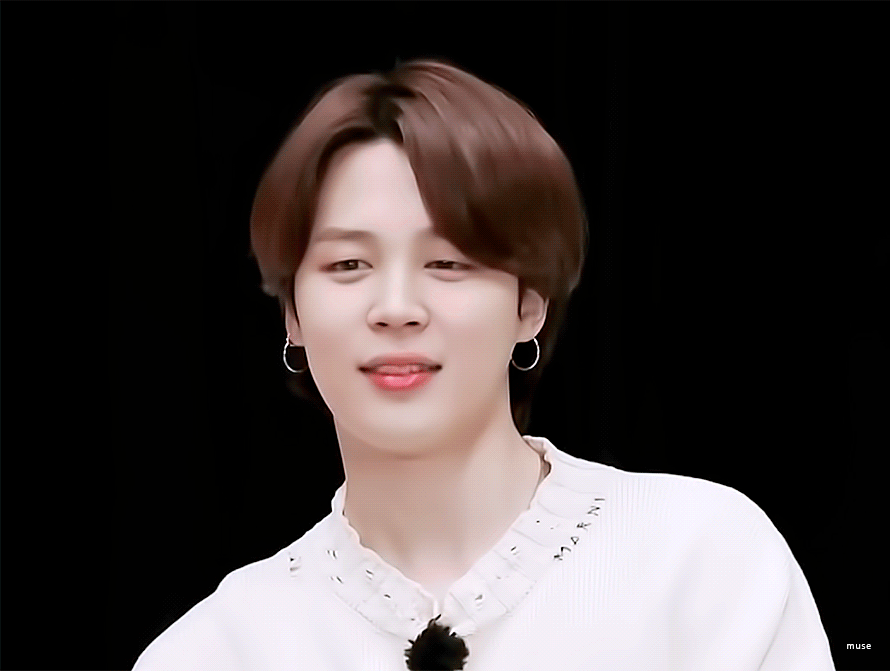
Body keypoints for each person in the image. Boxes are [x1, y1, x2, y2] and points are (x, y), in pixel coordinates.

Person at [132, 57, 835, 670]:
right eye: (348, 264)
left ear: (530, 303)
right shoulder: (212, 650)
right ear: (292, 312)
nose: (396, 308)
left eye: (448, 262)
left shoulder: (704, 560)